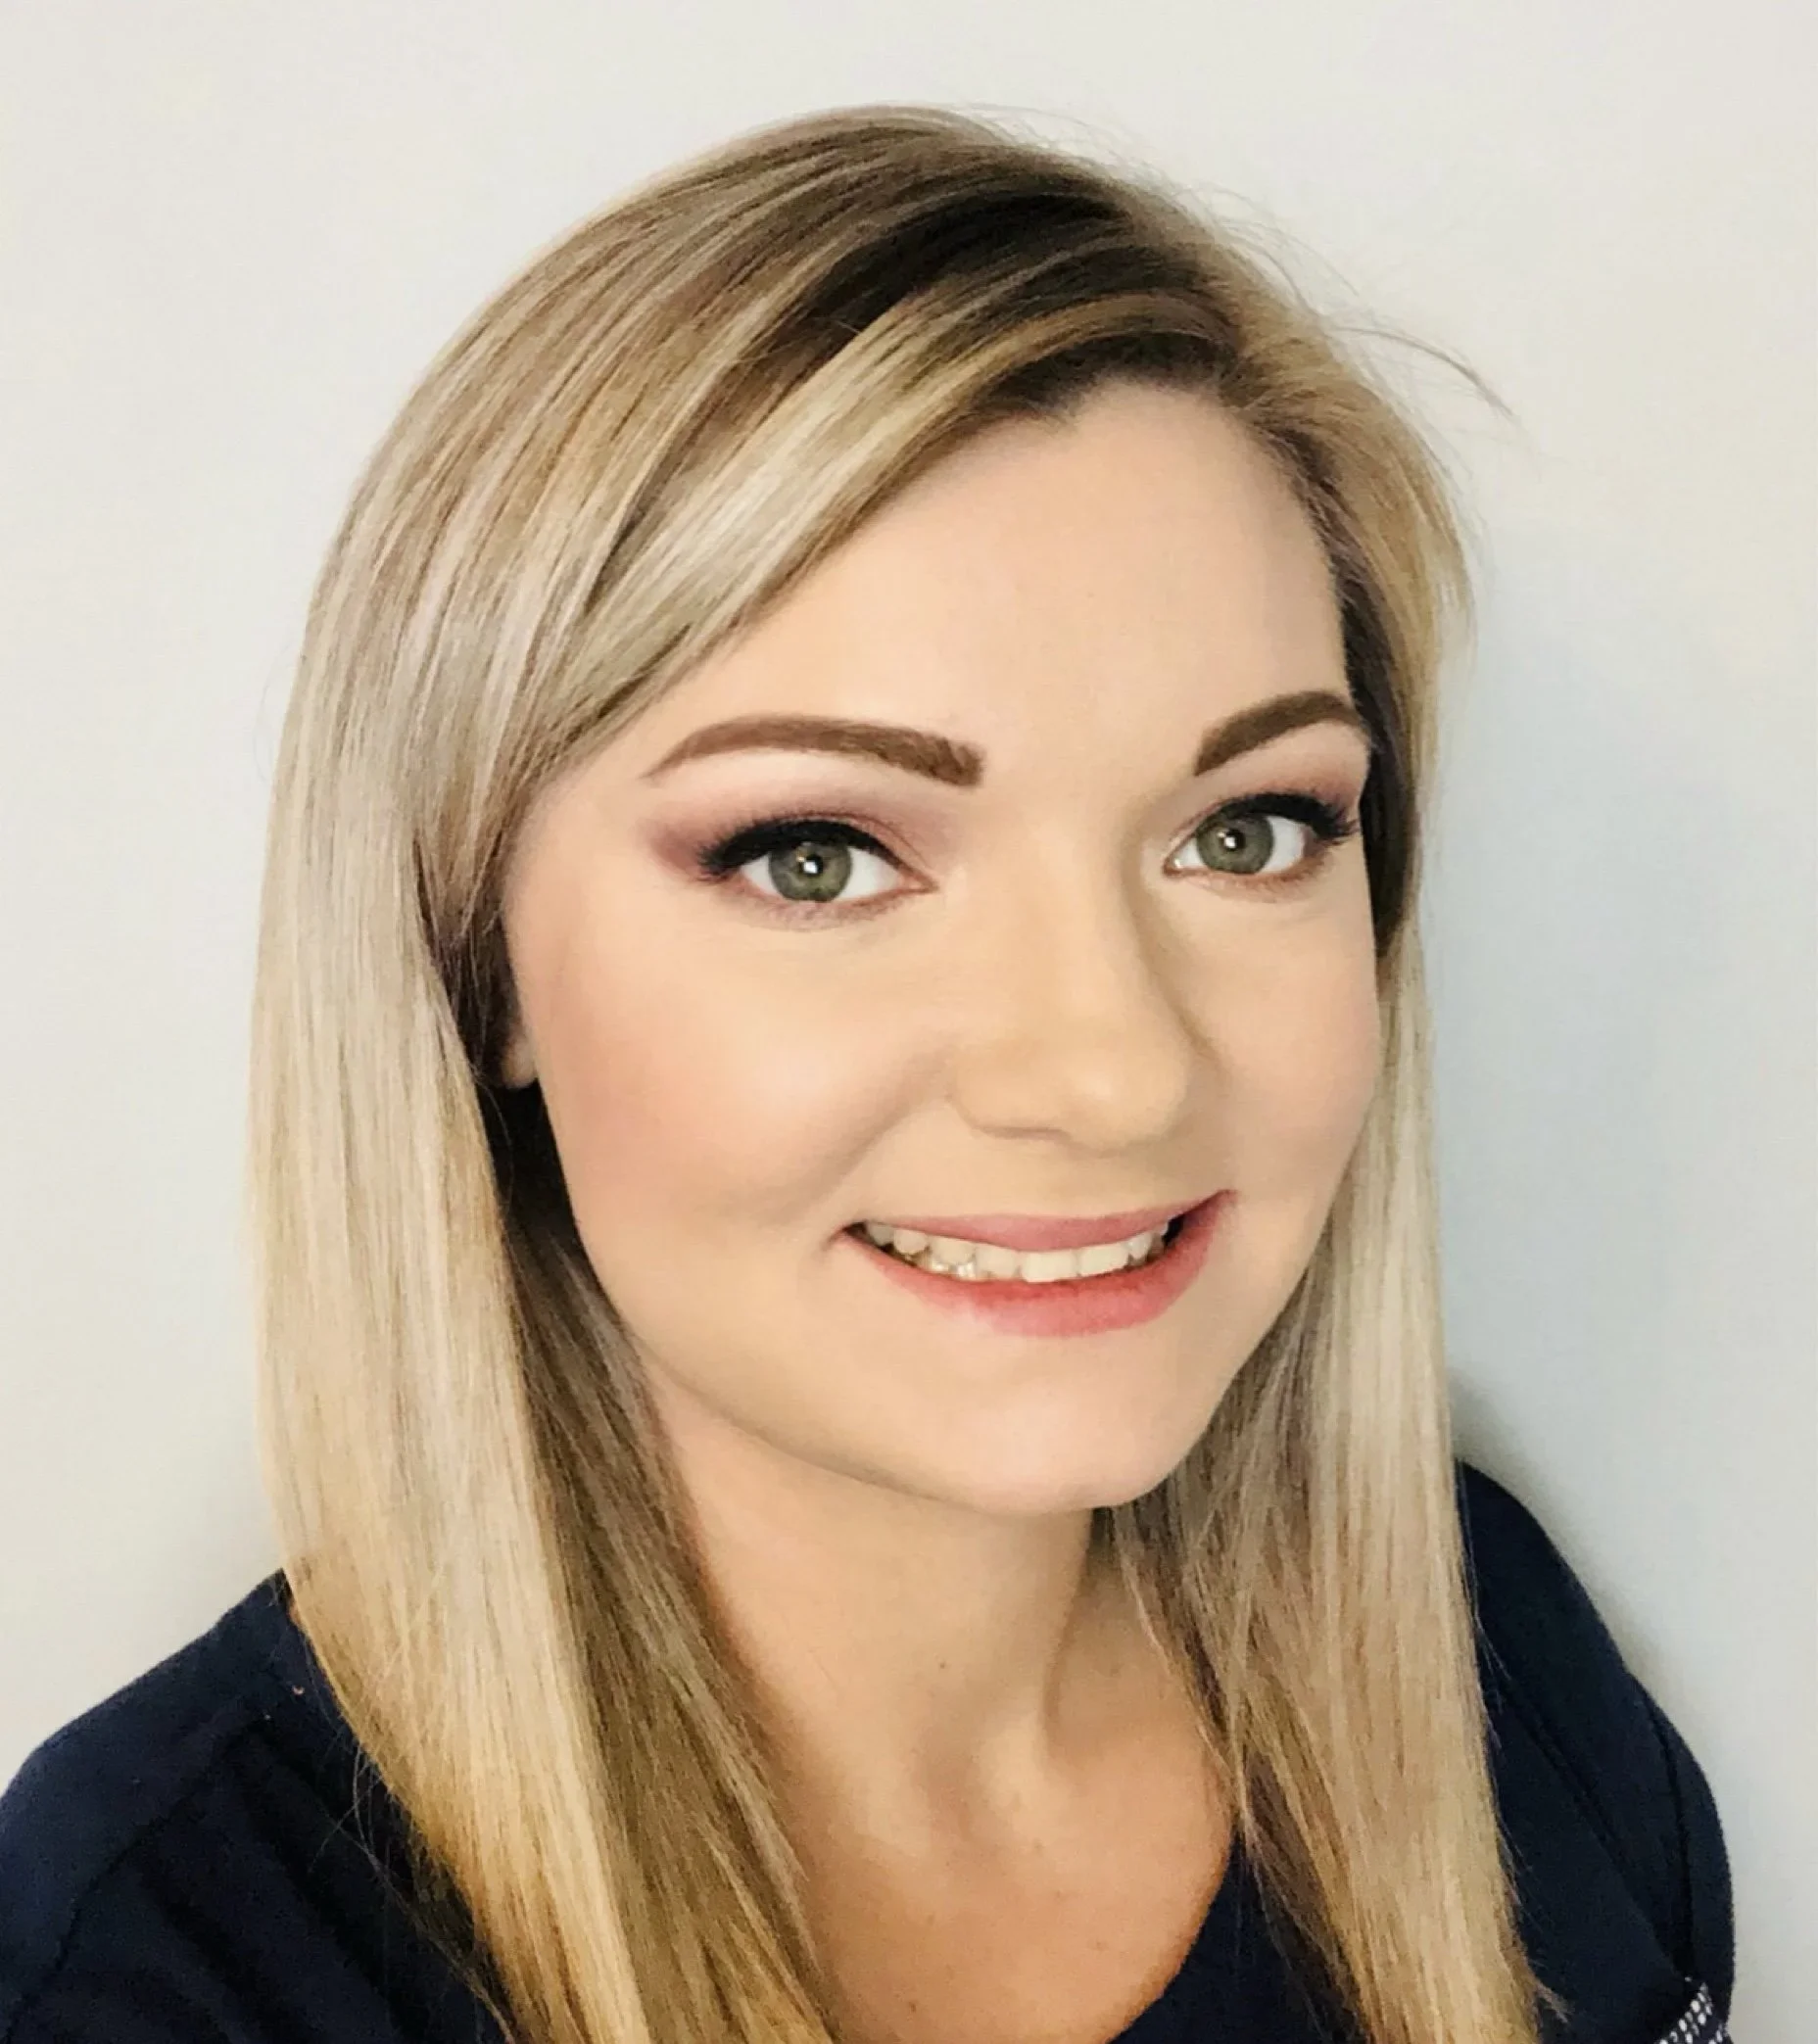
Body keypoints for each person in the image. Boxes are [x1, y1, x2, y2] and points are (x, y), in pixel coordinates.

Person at [0, 106, 1732, 2044]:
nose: (1109, 1071)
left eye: (1244, 830)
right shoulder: (171, 1965)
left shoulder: (1489, 1662)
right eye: (815, 852)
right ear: (472, 962)